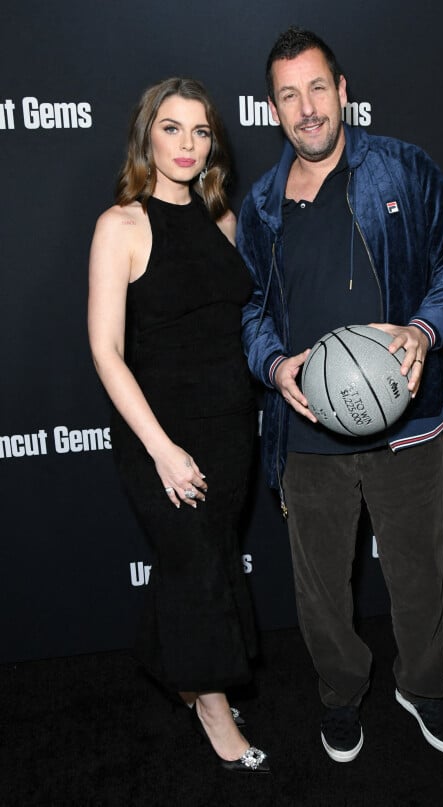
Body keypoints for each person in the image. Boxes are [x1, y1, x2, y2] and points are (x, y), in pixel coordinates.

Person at [237, 28, 443, 763]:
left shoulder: (403, 167)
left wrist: (423, 331)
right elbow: (247, 309)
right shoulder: (262, 205)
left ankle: (424, 684)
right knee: (320, 593)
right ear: (273, 109)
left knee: (416, 573)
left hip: (409, 423)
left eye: (317, 88)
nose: (306, 108)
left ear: (342, 91)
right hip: (307, 433)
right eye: (288, 95)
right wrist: (274, 366)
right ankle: (340, 694)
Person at [88, 77, 269, 773]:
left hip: (230, 428)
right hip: (159, 433)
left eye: (200, 131)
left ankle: (187, 676)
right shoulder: (121, 225)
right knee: (195, 566)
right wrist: (161, 449)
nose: (187, 144)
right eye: (172, 128)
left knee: (209, 559)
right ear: (147, 136)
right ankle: (215, 709)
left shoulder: (222, 223)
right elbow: (105, 349)